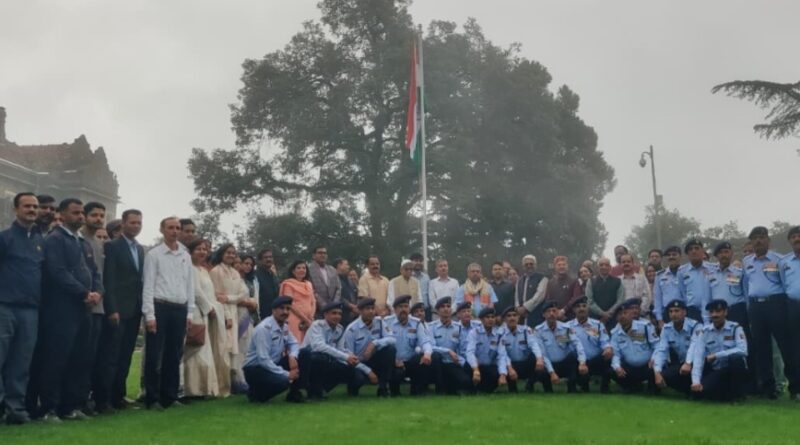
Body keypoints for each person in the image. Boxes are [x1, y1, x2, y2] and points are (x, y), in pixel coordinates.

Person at [37, 198, 101, 421]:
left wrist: (97, 292)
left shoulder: (83, 242)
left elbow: (94, 272)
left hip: (84, 310)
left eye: (82, 212)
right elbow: (58, 272)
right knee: (57, 358)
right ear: (62, 215)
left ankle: (70, 406)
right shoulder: (55, 239)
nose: (81, 216)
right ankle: (48, 408)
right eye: (75, 213)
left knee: (80, 358)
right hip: (61, 310)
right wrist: (84, 293)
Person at [93, 209, 144, 413]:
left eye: (139, 223)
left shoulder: (139, 250)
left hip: (134, 310)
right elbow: (109, 279)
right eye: (132, 222)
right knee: (110, 356)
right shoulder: (112, 246)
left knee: (125, 356)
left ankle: (118, 396)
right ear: (123, 224)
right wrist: (111, 308)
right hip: (117, 310)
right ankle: (102, 400)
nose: (136, 226)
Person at [142, 216, 195, 411]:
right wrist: (149, 315)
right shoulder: (154, 255)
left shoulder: (185, 255)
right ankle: (152, 397)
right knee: (155, 355)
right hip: (160, 306)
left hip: (179, 307)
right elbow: (148, 285)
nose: (174, 231)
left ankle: (170, 396)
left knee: (174, 354)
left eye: (177, 228)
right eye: (170, 228)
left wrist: (190, 312)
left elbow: (189, 284)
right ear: (162, 230)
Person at [0, 193, 44, 425]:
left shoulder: (39, 242)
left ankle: (15, 409)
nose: (32, 210)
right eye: (27, 206)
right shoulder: (4, 238)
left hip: (30, 311)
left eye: (35, 207)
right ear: (16, 209)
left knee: (21, 362)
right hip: (5, 307)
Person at [743, 226, 798, 400]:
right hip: (755, 307)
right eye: (755, 238)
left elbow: (784, 282)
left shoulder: (780, 260)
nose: (758, 241)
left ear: (768, 240)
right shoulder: (747, 262)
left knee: (785, 347)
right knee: (762, 348)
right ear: (751, 242)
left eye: (762, 237)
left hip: (776, 304)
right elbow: (746, 285)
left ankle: (795, 388)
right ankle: (768, 388)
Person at [242, 296, 308, 403]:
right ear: (273, 310)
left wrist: (292, 356)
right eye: (281, 308)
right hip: (256, 369)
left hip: (273, 364)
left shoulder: (284, 327)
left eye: (288, 309)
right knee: (283, 381)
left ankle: (295, 394)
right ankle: (256, 394)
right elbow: (263, 359)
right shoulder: (264, 329)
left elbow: (294, 343)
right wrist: (287, 374)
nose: (285, 312)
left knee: (305, 353)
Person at [210, 243, 255, 393]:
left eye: (233, 253)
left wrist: (229, 298)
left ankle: (235, 381)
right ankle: (221, 384)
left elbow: (243, 294)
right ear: (221, 254)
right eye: (228, 252)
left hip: (236, 312)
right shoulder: (216, 271)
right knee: (223, 348)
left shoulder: (235, 273)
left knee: (235, 349)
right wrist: (227, 313)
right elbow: (216, 295)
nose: (231, 255)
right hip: (222, 313)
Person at [182, 238, 224, 398]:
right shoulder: (190, 269)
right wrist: (209, 308)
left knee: (204, 351)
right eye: (198, 249)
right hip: (196, 312)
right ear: (191, 252)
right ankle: (191, 389)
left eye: (204, 249)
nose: (202, 252)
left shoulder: (204, 270)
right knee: (194, 349)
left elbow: (209, 292)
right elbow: (196, 292)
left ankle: (203, 388)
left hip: (206, 313)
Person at [77, 201, 106, 415]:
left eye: (101, 215)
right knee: (79, 356)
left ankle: (86, 400)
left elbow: (99, 274)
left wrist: (99, 293)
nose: (98, 218)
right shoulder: (78, 240)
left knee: (92, 357)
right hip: (80, 305)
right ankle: (74, 401)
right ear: (85, 216)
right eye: (94, 214)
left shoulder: (98, 242)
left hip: (98, 307)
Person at [691, 299, 748, 401]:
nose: (714, 315)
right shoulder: (705, 332)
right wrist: (696, 381)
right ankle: (724, 393)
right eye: (711, 312)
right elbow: (698, 357)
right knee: (701, 392)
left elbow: (743, 350)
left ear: (725, 312)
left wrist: (717, 355)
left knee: (737, 360)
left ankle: (738, 396)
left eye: (718, 311)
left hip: (732, 370)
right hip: (716, 370)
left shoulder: (735, 328)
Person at [301, 302, 360, 401]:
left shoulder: (339, 329)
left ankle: (321, 389)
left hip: (327, 359)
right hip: (307, 361)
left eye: (339, 314)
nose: (337, 316)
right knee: (320, 358)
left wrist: (350, 356)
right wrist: (345, 357)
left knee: (348, 368)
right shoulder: (317, 325)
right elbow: (319, 347)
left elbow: (340, 349)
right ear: (325, 315)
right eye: (334, 313)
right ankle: (312, 391)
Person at [342, 298, 396, 397]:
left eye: (372, 308)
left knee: (390, 350)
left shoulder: (379, 322)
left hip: (374, 359)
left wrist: (375, 343)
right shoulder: (352, 329)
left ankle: (383, 388)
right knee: (358, 378)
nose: (371, 311)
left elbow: (392, 339)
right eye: (367, 309)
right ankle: (352, 388)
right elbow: (348, 356)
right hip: (358, 363)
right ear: (360, 311)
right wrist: (368, 371)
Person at [385, 295, 434, 396]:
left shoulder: (416, 323)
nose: (403, 309)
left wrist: (427, 353)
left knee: (421, 358)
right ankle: (393, 390)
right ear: (394, 309)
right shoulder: (386, 322)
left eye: (406, 306)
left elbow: (425, 341)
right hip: (394, 363)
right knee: (393, 368)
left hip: (410, 362)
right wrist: (394, 361)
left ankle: (416, 390)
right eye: (400, 307)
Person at [534, 301, 587, 393]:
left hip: (563, 363)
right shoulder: (538, 331)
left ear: (557, 313)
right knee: (539, 364)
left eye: (554, 311)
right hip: (548, 364)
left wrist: (582, 362)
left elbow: (577, 344)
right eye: (548, 311)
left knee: (573, 357)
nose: (551, 314)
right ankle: (548, 389)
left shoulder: (566, 328)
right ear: (543, 315)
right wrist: (552, 372)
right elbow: (542, 354)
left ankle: (572, 388)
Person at [652, 300, 701, 396]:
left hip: (699, 363)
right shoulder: (666, 329)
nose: (673, 314)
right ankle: (688, 390)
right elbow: (662, 350)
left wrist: (688, 363)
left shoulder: (696, 326)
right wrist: (657, 371)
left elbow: (695, 347)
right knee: (662, 375)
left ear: (684, 312)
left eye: (677, 311)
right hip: (682, 365)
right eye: (671, 312)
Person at [609, 299, 658, 393]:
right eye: (619, 314)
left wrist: (655, 358)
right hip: (629, 368)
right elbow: (616, 354)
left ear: (631, 315)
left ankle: (653, 386)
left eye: (625, 313)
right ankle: (631, 386)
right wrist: (617, 367)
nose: (622, 316)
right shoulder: (615, 333)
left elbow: (657, 345)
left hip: (647, 366)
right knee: (611, 370)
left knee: (658, 364)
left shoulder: (645, 326)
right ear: (616, 318)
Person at [568, 297, 613, 393]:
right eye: (578, 307)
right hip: (577, 361)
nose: (581, 309)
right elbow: (563, 344)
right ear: (574, 310)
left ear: (588, 308)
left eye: (584, 306)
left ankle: (605, 386)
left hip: (595, 360)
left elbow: (604, 341)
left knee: (609, 355)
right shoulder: (567, 326)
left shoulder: (597, 325)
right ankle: (575, 385)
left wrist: (607, 348)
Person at [429, 298, 470, 395]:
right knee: (436, 357)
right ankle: (440, 389)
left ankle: (452, 388)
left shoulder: (458, 327)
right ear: (437, 311)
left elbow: (462, 348)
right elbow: (430, 346)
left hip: (452, 363)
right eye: (442, 307)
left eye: (448, 306)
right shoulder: (431, 327)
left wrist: (463, 362)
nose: (446, 309)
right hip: (437, 364)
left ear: (451, 310)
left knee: (466, 382)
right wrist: (448, 351)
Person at [465, 307, 508, 394]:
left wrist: (503, 374)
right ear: (481, 319)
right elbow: (470, 352)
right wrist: (475, 369)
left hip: (489, 367)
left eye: (492, 317)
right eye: (487, 317)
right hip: (475, 367)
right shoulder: (474, 333)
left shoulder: (499, 334)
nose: (490, 319)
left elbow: (502, 355)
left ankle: (483, 389)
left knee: (495, 375)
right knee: (466, 376)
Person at [500, 306, 543, 393]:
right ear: (504, 319)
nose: (512, 318)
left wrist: (539, 359)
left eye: (514, 315)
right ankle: (512, 387)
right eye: (509, 316)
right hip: (510, 365)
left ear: (518, 317)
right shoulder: (500, 333)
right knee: (502, 361)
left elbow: (534, 344)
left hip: (524, 364)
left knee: (536, 359)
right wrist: (510, 368)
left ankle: (530, 384)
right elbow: (502, 354)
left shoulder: (526, 330)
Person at [781, 226, 800, 398]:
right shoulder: (784, 262)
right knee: (794, 349)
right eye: (793, 237)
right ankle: (796, 389)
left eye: (798, 236)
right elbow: (781, 284)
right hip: (793, 307)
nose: (796, 239)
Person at [279, 260, 316, 344]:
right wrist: (305, 319)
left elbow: (313, 301)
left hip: (309, 320)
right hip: (294, 318)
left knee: (307, 345)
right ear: (293, 271)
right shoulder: (288, 284)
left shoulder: (309, 284)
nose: (302, 270)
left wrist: (310, 317)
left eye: (304, 268)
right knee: (295, 344)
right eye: (298, 268)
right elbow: (290, 304)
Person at [678, 238, 713, 322]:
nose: (694, 251)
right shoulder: (682, 271)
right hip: (692, 312)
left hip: (712, 310)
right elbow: (683, 293)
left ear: (702, 251)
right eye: (690, 249)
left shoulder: (712, 268)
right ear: (687, 254)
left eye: (697, 248)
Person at [586, 257, 624, 330]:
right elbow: (589, 301)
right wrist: (602, 313)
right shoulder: (590, 281)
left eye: (606, 265)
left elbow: (620, 300)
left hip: (613, 319)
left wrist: (609, 313)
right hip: (595, 318)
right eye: (601, 265)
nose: (604, 267)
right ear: (597, 267)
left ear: (610, 267)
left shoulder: (618, 281)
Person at [543, 256, 582, 321]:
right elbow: (548, 299)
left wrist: (564, 310)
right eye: (559, 265)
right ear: (555, 267)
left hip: (570, 317)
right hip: (554, 317)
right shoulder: (550, 282)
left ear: (567, 267)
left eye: (564, 265)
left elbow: (576, 298)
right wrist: (555, 312)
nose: (561, 267)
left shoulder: (574, 281)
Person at [653, 245, 683, 329]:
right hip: (667, 314)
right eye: (669, 255)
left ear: (680, 257)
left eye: (674, 254)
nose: (671, 257)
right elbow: (657, 298)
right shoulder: (660, 275)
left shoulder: (686, 273)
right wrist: (659, 319)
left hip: (684, 312)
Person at [515, 254, 548, 328]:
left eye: (531, 264)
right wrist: (517, 308)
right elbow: (516, 297)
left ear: (535, 265)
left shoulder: (542, 278)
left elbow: (539, 296)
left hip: (537, 315)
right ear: (523, 266)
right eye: (526, 264)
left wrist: (525, 308)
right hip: (521, 317)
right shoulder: (519, 280)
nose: (529, 266)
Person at [308, 246, 341, 317]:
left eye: (324, 253)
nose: (323, 255)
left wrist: (334, 304)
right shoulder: (308, 270)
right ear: (314, 256)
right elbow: (311, 290)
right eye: (320, 253)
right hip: (317, 310)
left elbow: (338, 288)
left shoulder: (332, 269)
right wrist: (324, 306)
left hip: (333, 310)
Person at [255, 249, 280, 320]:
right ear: (260, 260)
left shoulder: (273, 275)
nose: (269, 259)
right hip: (261, 315)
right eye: (265, 257)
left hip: (275, 314)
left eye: (270, 257)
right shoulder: (255, 275)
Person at [334, 258, 358, 324]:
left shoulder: (350, 281)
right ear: (339, 265)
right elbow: (336, 296)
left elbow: (356, 295)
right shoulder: (334, 279)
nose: (348, 267)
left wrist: (356, 307)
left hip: (354, 317)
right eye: (346, 264)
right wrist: (350, 306)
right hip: (341, 316)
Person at [239, 254, 260, 325]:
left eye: (251, 265)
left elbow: (255, 297)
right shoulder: (235, 278)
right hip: (240, 313)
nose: (249, 266)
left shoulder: (252, 280)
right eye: (246, 263)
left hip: (253, 314)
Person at [409, 253, 430, 318]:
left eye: (420, 261)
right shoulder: (408, 277)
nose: (418, 263)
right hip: (411, 311)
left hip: (426, 311)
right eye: (416, 261)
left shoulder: (426, 277)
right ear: (410, 262)